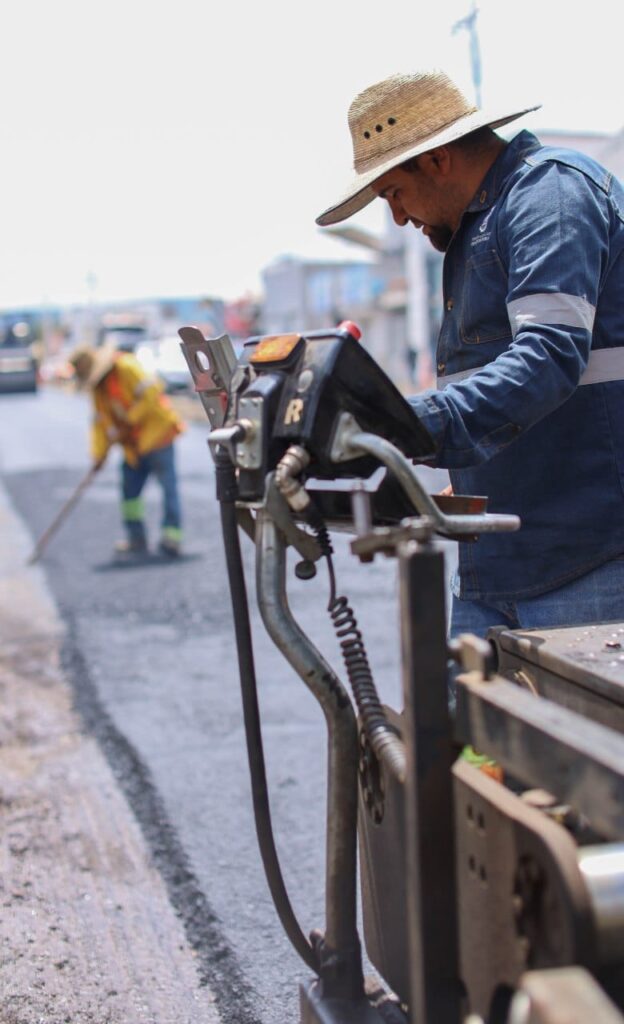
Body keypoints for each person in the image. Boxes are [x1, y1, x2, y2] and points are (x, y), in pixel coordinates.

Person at [316, 68, 624, 638]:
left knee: (572, 725)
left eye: (393, 193)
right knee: (466, 727)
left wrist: (398, 425)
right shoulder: (477, 228)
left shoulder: (548, 194)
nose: (400, 217)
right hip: (504, 556)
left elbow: (548, 357)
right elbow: (506, 391)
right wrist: (477, 467)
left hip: (589, 558)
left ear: (437, 160)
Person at [70, 343, 185, 559]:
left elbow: (152, 392)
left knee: (168, 489)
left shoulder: (126, 366)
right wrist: (99, 455)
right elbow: (100, 424)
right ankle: (136, 538)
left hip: (157, 436)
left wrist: (129, 419)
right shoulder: (99, 390)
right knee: (129, 493)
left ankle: (172, 538)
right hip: (134, 447)